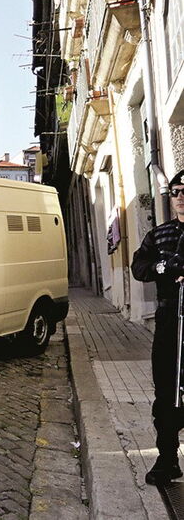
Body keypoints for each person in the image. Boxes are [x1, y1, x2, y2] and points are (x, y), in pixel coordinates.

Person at [132, 169, 184, 485]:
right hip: (169, 324)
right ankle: (167, 459)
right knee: (165, 393)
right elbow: (140, 267)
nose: (180, 197)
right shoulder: (159, 234)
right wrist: (163, 266)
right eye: (176, 191)